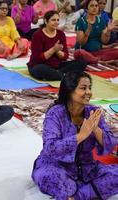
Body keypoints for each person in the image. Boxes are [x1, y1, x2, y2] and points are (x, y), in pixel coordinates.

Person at [32, 71, 118, 199]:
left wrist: (95, 129)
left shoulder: (93, 112)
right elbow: (50, 148)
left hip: (87, 168)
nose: (88, 92)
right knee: (52, 177)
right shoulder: (55, 114)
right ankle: (83, 192)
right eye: (83, 88)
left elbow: (110, 143)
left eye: (89, 88)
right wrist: (81, 136)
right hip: (56, 166)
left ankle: (76, 195)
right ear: (70, 91)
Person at [27, 11, 87, 81]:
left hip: (57, 66)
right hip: (39, 65)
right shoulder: (37, 35)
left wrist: (58, 51)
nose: (56, 22)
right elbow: (37, 58)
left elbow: (65, 56)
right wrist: (53, 50)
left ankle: (58, 74)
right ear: (46, 21)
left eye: (58, 20)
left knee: (81, 63)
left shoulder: (61, 34)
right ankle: (65, 75)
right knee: (41, 69)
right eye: (53, 20)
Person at [74, 0, 118, 64]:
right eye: (92, 6)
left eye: (96, 6)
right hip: (85, 51)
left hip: (98, 52)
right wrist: (87, 33)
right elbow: (81, 43)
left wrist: (108, 31)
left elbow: (104, 41)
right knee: (79, 53)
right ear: (87, 9)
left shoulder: (101, 21)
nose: (94, 8)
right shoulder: (81, 21)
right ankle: (100, 61)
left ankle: (95, 59)